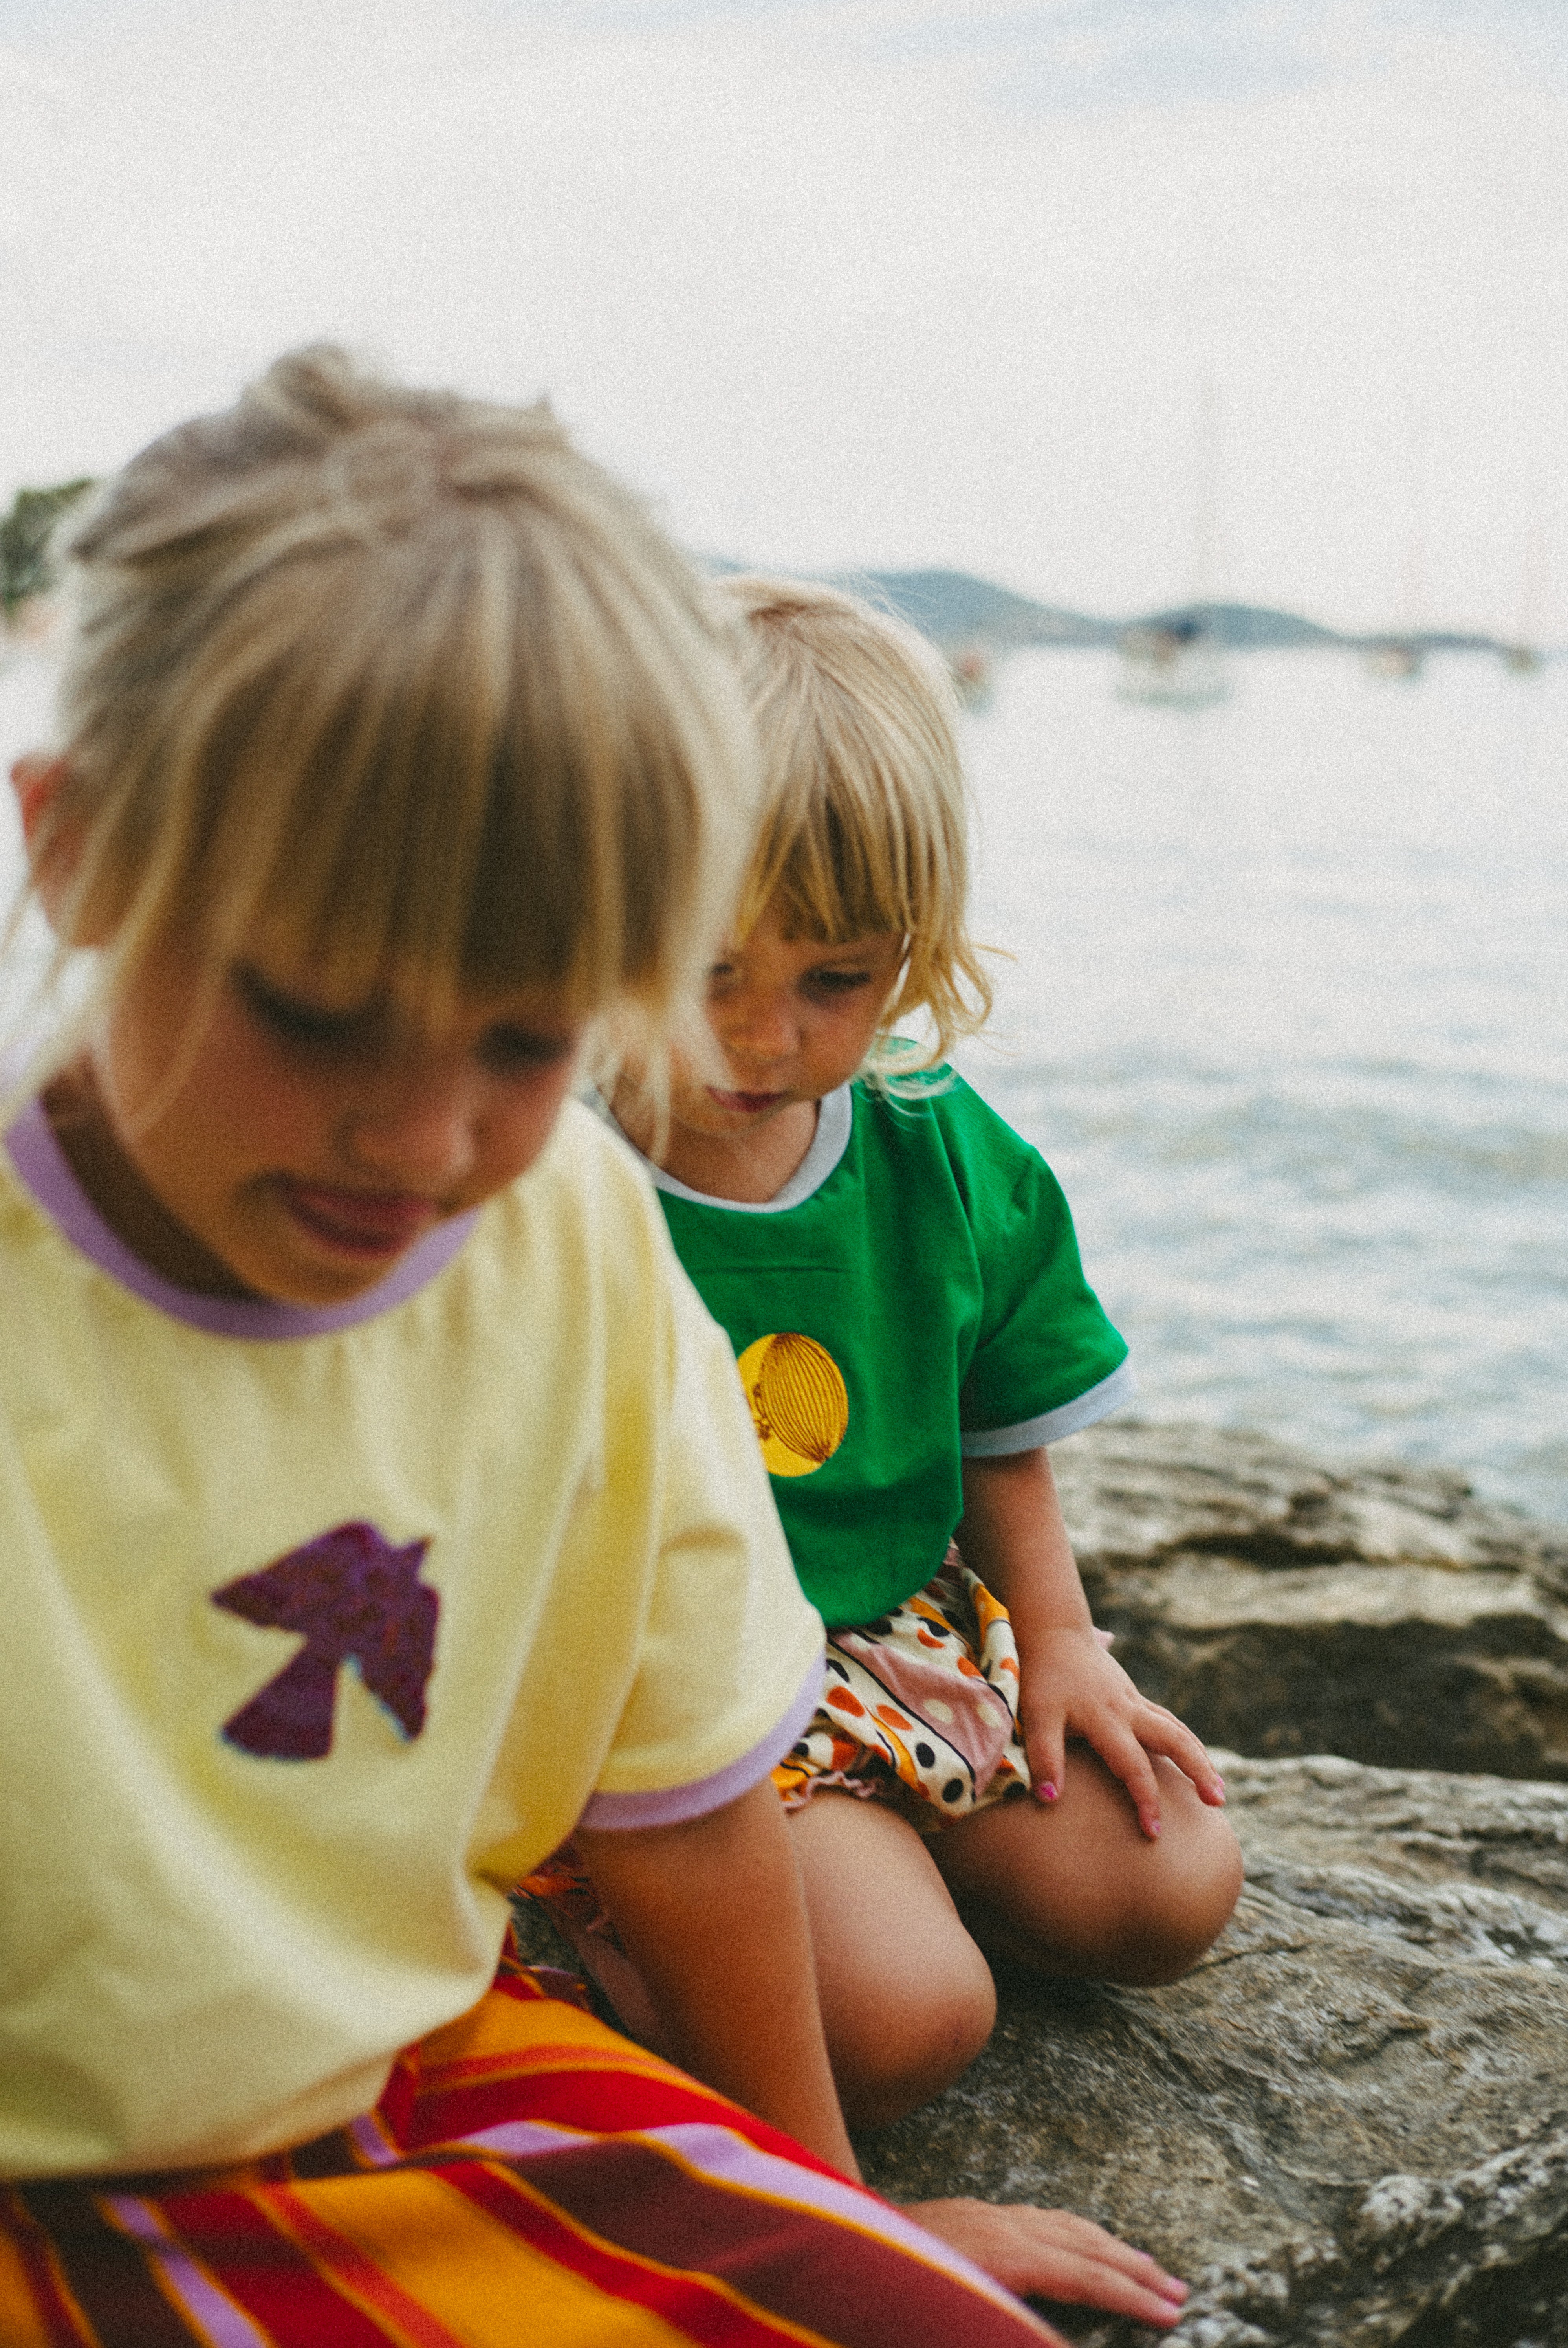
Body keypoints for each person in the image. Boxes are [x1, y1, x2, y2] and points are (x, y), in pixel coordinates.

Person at [0, 352, 1193, 2344]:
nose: (424, 1139)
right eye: (317, 1012)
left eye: (531, 1035)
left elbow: (682, 1788)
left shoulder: (568, 1237)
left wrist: (826, 2214)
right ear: (79, 844)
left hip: (397, 2081)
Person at [607, 575, 1244, 2132]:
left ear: (914, 949)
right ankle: (609, 1945)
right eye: (709, 974)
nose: (766, 1042)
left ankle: (891, 1865)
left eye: (836, 980)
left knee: (1174, 1883)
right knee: (906, 2025)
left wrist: (1064, 1638)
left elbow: (994, 1426)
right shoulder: (561, 1173)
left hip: (899, 1638)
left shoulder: (932, 1149)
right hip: (681, 1700)